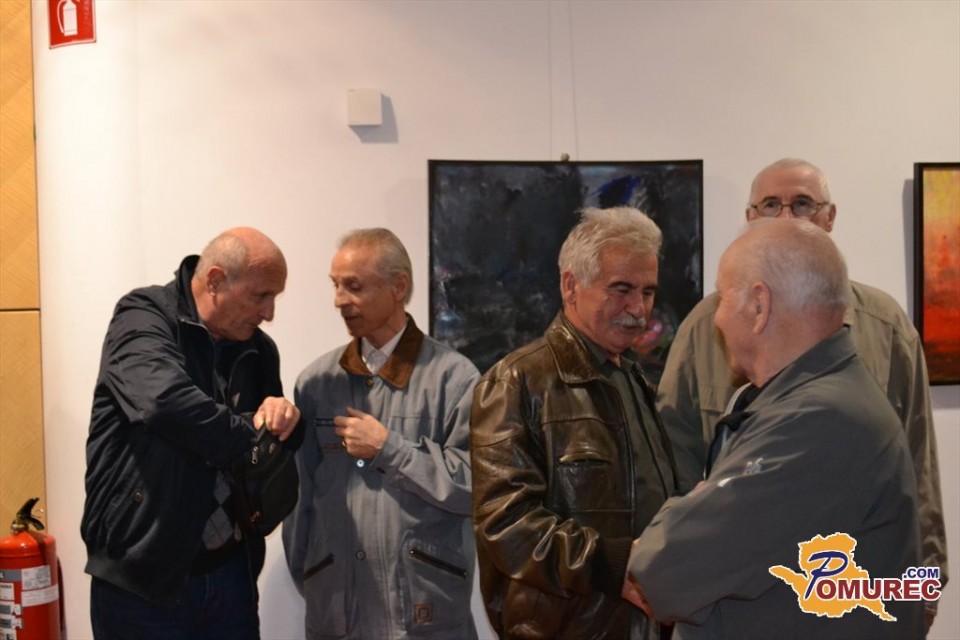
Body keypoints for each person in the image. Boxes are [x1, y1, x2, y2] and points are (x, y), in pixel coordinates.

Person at [657, 157, 947, 629]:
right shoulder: (706, 327)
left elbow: (919, 467)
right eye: (771, 205)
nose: (787, 217)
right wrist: (676, 564)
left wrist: (924, 587)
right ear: (749, 218)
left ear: (829, 218)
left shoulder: (886, 326)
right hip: (735, 595)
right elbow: (673, 460)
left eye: (803, 204)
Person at [81, 227, 303, 639]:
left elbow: (267, 451)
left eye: (275, 297)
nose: (270, 312)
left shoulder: (259, 349)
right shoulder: (143, 315)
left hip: (232, 574)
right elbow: (164, 402)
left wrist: (285, 419)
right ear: (215, 280)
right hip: (142, 577)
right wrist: (249, 433)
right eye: (261, 296)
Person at [470, 206, 679, 639]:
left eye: (648, 292)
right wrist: (610, 564)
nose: (639, 310)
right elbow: (505, 525)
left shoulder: (633, 378)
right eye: (621, 289)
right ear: (571, 285)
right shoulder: (516, 381)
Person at [282, 228, 480, 640]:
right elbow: (300, 500)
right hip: (338, 616)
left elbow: (475, 486)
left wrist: (389, 449)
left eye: (353, 286)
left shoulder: (455, 379)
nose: (339, 300)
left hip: (426, 616)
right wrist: (316, 577)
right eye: (336, 285)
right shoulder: (315, 383)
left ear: (399, 287)